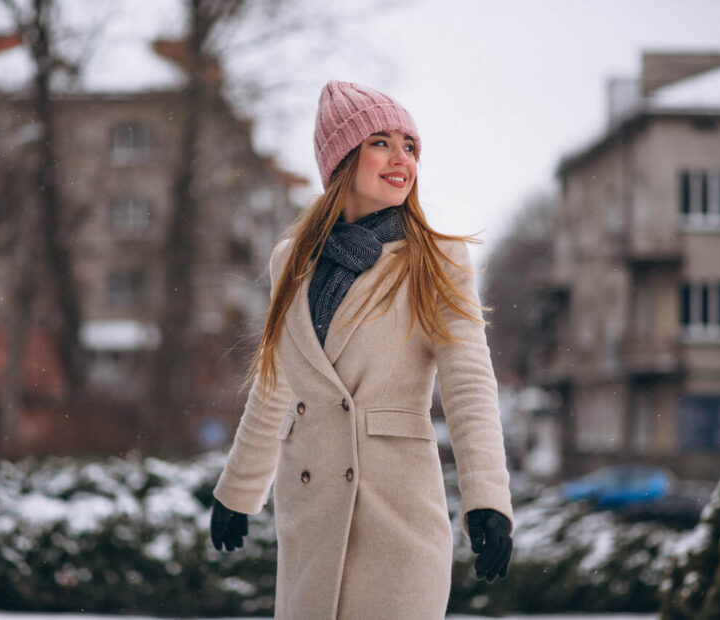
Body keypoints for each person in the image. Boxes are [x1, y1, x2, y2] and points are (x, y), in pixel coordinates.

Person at [209, 80, 514, 620]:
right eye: (381, 142)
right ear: (341, 159)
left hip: (397, 519)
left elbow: (469, 386)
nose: (402, 159)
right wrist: (237, 491)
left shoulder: (437, 261)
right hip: (310, 519)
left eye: (410, 146)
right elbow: (275, 382)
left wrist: (487, 500)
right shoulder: (292, 262)